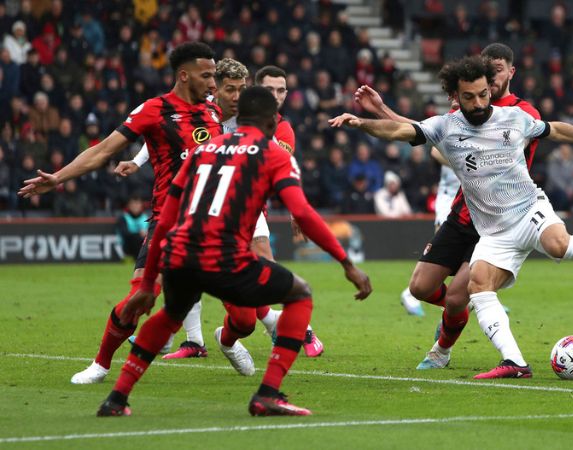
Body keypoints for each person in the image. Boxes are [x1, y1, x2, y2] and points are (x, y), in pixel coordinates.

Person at [330, 55, 573, 379]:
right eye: (469, 97)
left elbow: (556, 130)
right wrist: (362, 123)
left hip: (527, 209)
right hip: (491, 231)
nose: (479, 102)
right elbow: (401, 129)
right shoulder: (447, 126)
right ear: (456, 96)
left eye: (483, 94)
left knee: (557, 245)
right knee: (478, 286)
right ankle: (515, 363)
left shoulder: (515, 117)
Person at [96, 87, 372, 417]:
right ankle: (268, 394)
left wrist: (146, 284)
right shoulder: (275, 153)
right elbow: (303, 212)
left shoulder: (203, 149)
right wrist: (346, 263)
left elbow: (166, 217)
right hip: (225, 256)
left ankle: (116, 399)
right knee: (300, 294)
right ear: (272, 121)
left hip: (179, 254)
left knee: (170, 314)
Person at [19, 42, 231, 384]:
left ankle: (231, 341)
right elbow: (103, 150)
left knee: (246, 306)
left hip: (214, 223)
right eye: (206, 75)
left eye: (214, 75)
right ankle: (101, 365)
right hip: (170, 222)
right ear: (183, 75)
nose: (212, 82)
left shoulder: (214, 111)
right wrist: (57, 178)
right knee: (138, 300)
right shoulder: (153, 110)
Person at [118, 62, 325, 359]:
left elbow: (280, 167)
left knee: (262, 262)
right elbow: (169, 134)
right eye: (269, 89)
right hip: (205, 202)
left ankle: (283, 323)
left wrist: (295, 207)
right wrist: (137, 162)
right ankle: (193, 339)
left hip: (245, 204)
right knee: (190, 264)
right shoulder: (213, 110)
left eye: (281, 90)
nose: (275, 96)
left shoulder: (276, 126)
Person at [355, 43, 538, 362]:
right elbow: (425, 131)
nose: (492, 77)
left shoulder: (521, 115)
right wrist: (382, 111)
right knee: (419, 288)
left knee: (454, 297)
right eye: (488, 69)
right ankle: (467, 306)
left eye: (498, 70)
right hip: (462, 215)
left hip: (497, 224)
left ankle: (442, 350)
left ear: (511, 72)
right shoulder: (468, 110)